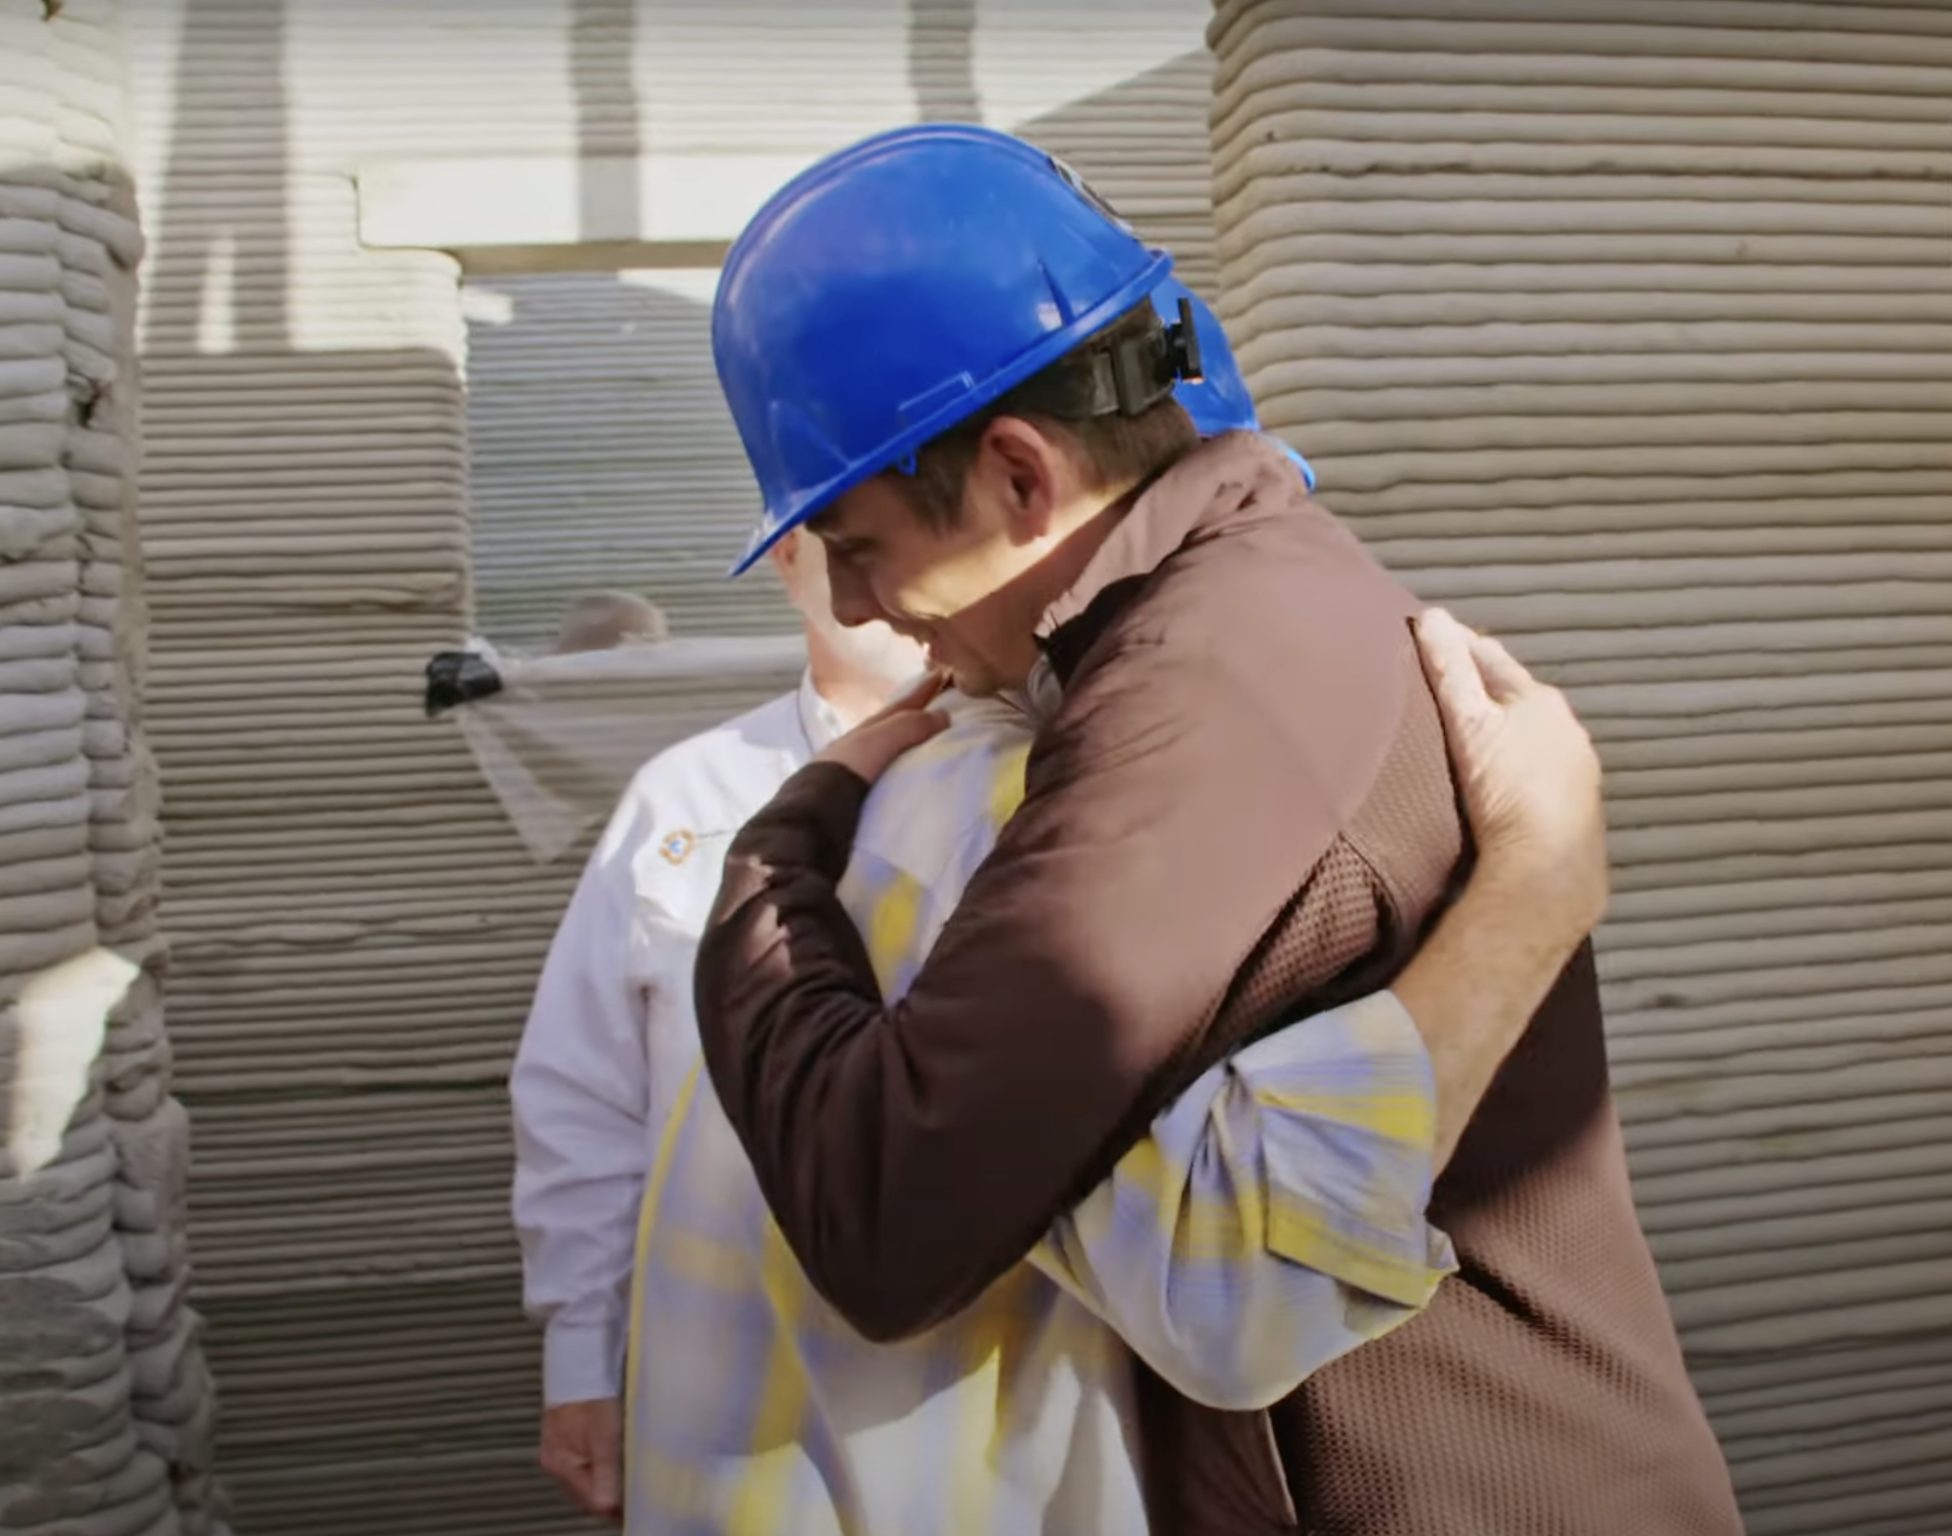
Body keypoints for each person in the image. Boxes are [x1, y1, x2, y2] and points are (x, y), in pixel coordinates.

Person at [693, 125, 1742, 1534]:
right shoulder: (1190, 627)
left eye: (859, 545)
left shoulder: (1210, 680)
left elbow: (885, 1213)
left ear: (1018, 475)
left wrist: (766, 861)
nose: (864, 608)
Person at [509, 528, 922, 1519]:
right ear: (786, 560)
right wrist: (581, 1356)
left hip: (984, 1361)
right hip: (723, 1370)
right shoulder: (686, 798)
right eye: (853, 536)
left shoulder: (1047, 788)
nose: (894, 573)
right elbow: (584, 1096)